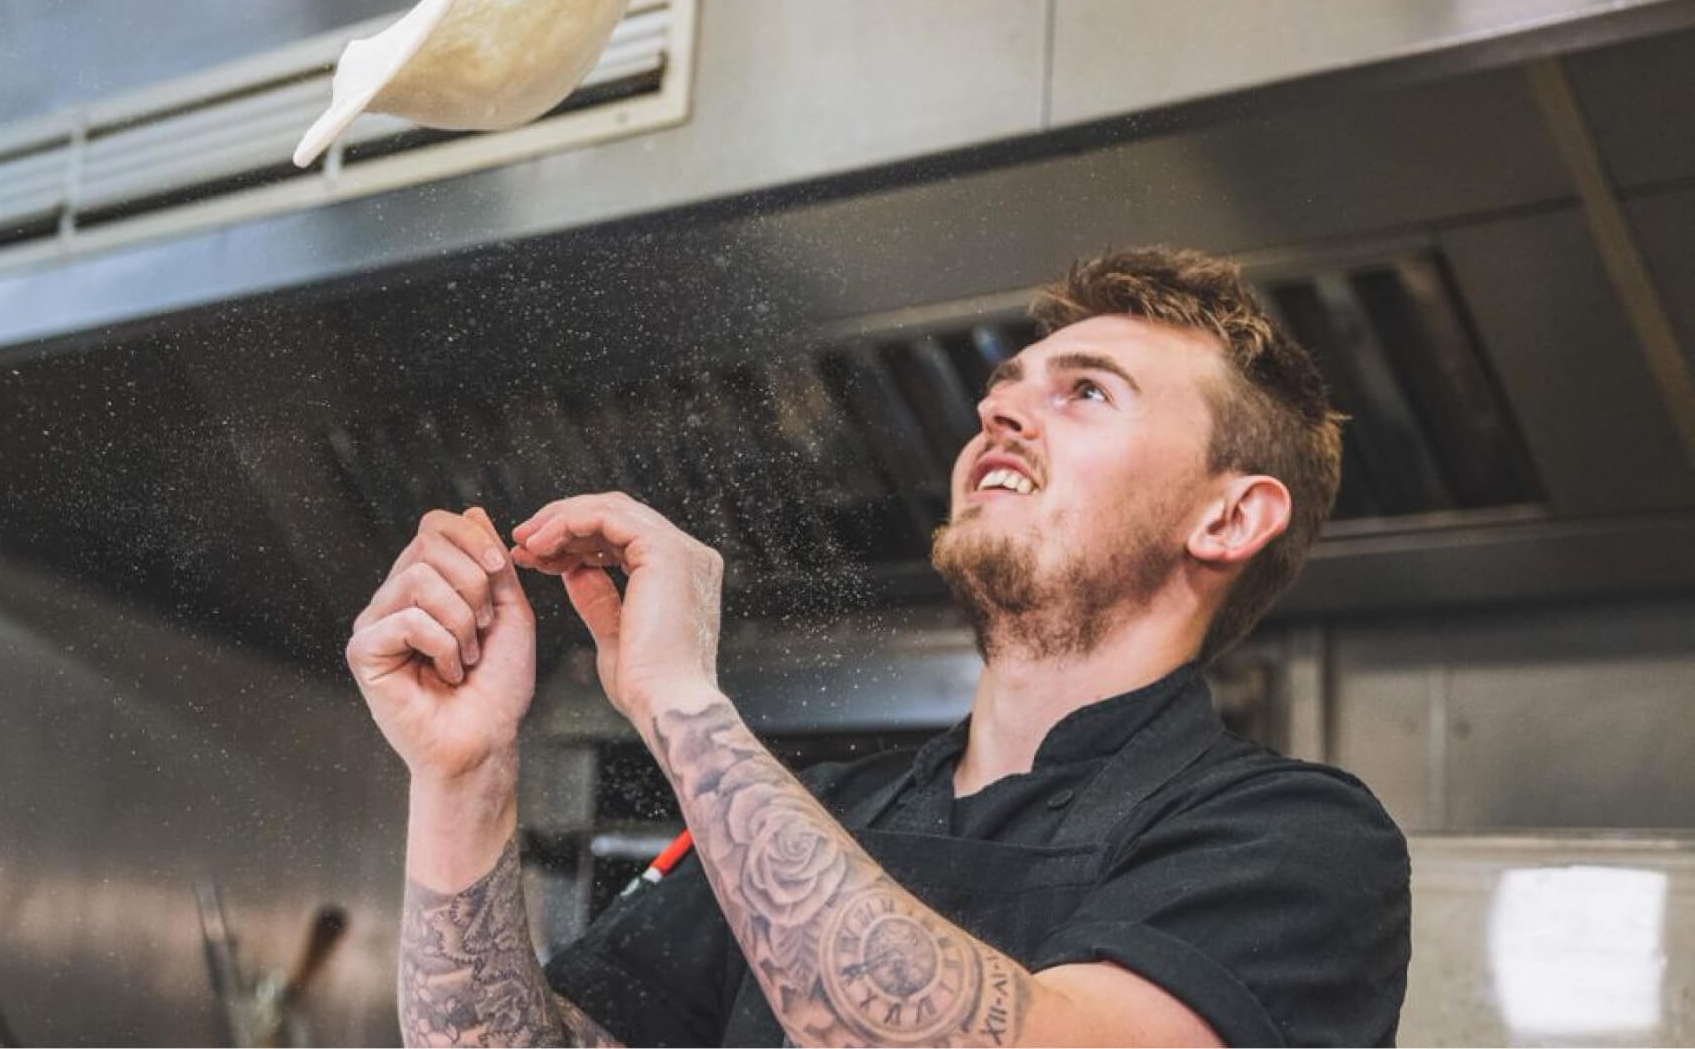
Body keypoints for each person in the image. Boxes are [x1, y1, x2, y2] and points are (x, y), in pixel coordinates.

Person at [343, 247, 1411, 1047]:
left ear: (1227, 519)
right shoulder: (819, 814)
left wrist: (677, 699)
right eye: (1000, 393)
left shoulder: (1295, 840)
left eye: (1083, 392)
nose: (1000, 414)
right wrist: (464, 776)